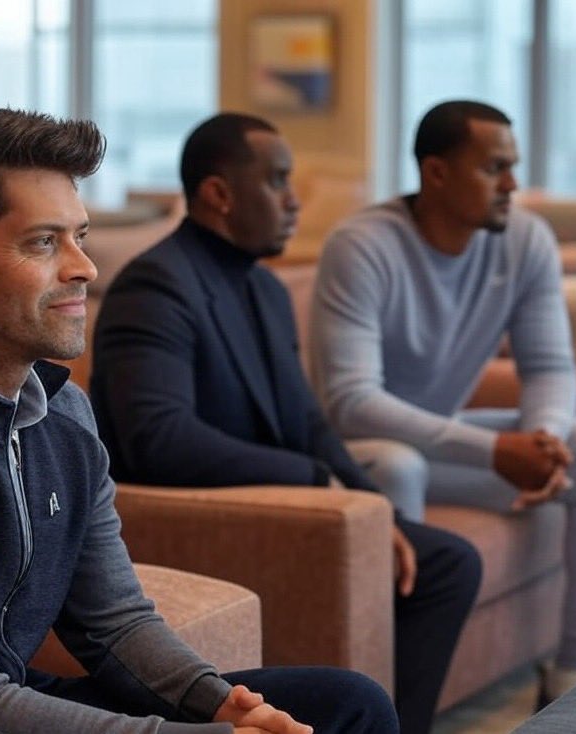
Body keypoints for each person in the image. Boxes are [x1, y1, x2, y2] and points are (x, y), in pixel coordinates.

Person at [0, 105, 400, 734]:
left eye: (80, 237)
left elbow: (114, 623)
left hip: (3, 701)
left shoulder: (63, 412)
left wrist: (216, 704)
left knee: (347, 703)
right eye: (44, 242)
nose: (84, 268)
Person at [90, 112, 482, 734]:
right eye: (277, 182)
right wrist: (312, 479)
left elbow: (308, 420)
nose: (295, 201)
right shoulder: (155, 287)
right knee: (443, 565)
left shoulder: (267, 290)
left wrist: (376, 508)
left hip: (285, 504)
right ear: (219, 194)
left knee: (442, 563)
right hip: (209, 516)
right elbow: (161, 440)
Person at [309, 99, 576, 706]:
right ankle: (397, 702)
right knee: (400, 464)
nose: (513, 184)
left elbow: (549, 367)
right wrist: (493, 451)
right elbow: (351, 402)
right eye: (495, 168)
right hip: (358, 455)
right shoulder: (361, 246)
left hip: (441, 442)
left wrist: (544, 440)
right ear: (436, 173)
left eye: (513, 166)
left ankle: (573, 677)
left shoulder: (525, 239)